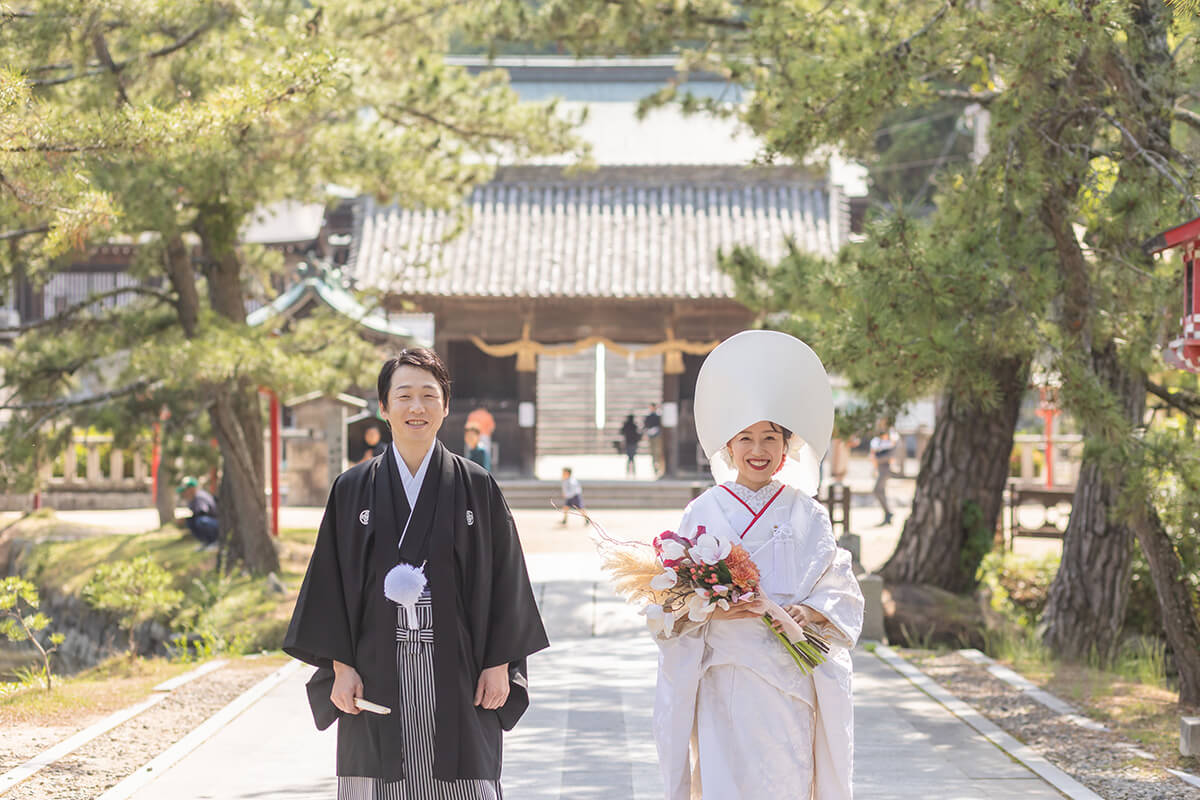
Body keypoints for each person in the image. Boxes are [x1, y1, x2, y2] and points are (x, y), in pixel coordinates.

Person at [284, 348, 548, 799]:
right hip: (374, 665)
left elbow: (506, 580)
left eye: (429, 395)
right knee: (376, 775)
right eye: (403, 396)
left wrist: (499, 663)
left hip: (460, 666)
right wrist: (341, 667)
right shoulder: (352, 489)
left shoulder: (476, 485)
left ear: (445, 406)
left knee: (461, 775)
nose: (417, 407)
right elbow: (330, 586)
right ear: (384, 407)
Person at [652, 330, 864, 800]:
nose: (758, 449)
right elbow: (671, 600)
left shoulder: (807, 512)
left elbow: (838, 582)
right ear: (729, 447)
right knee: (727, 778)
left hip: (790, 671)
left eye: (770, 437)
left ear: (786, 446)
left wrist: (808, 615)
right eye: (745, 437)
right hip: (725, 670)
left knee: (786, 775)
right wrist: (714, 610)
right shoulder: (703, 510)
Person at [176, 476, 219, 549]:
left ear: (191, 489)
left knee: (201, 521)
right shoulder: (192, 499)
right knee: (191, 521)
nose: (184, 494)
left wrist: (185, 519)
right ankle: (207, 542)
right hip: (212, 522)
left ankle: (215, 541)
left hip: (216, 523)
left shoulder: (199, 497)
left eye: (185, 491)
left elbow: (203, 512)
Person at [869, 426, 896, 525]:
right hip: (880, 469)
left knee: (877, 490)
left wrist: (877, 459)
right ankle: (888, 514)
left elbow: (890, 457)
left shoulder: (890, 442)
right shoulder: (878, 442)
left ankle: (888, 512)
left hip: (885, 469)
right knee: (881, 491)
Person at [644, 403, 664, 477]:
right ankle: (655, 469)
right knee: (653, 453)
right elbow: (645, 425)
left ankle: (659, 468)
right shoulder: (648, 417)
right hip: (651, 436)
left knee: (658, 452)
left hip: (657, 436)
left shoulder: (658, 416)